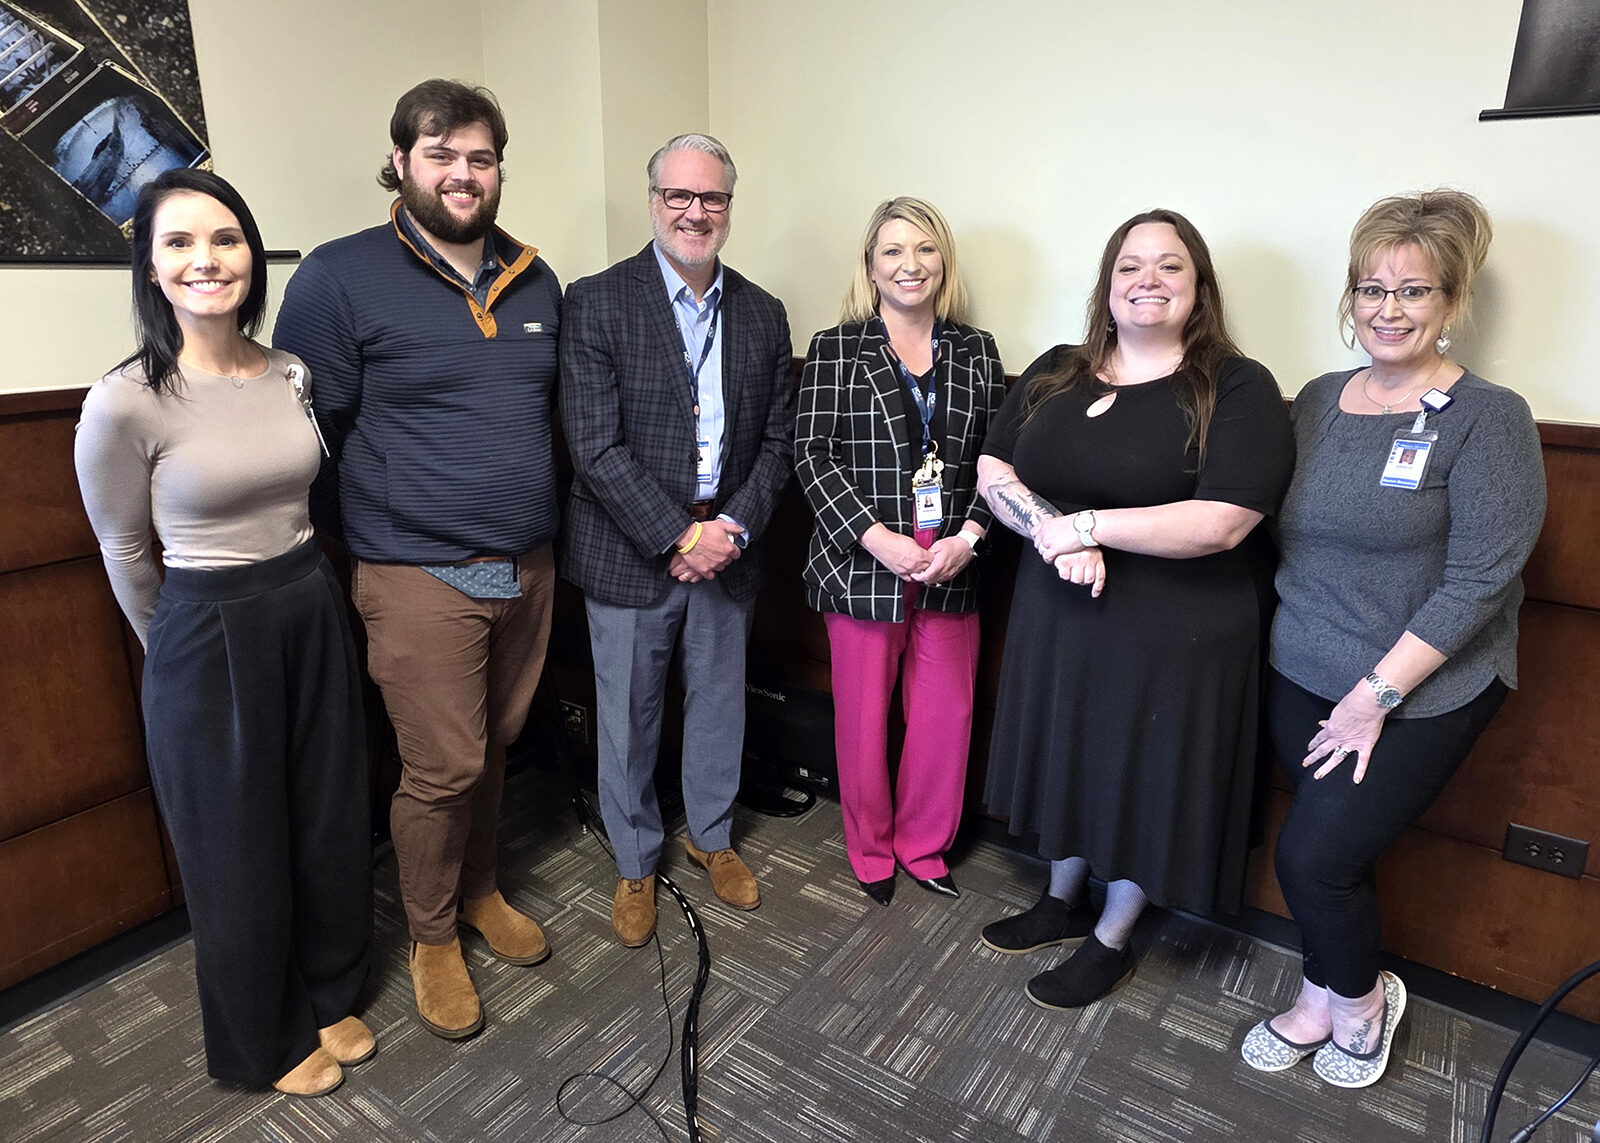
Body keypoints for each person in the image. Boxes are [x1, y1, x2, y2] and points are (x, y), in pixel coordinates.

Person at [74, 169, 372, 1097]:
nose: (206, 259)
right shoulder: (125, 400)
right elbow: (125, 547)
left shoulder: (291, 372)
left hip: (309, 601)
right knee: (235, 844)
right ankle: (263, 1038)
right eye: (179, 242)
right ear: (150, 267)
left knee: (327, 813)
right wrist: (174, 648)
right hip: (206, 625)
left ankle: (330, 987)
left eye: (226, 238)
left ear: (252, 254)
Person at [273, 79, 561, 1040]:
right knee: (443, 766)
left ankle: (479, 890)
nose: (462, 174)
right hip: (415, 574)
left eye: (480, 157)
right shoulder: (337, 277)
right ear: (401, 162)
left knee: (494, 746)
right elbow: (307, 441)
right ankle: (432, 936)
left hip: (527, 565)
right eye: (440, 155)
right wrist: (375, 540)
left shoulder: (536, 278)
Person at [1241, 190, 1545, 1088]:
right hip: (1302, 662)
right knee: (1331, 845)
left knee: (1313, 855)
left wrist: (1375, 697)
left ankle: (1363, 1001)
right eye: (1372, 289)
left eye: (1413, 291)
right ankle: (1320, 992)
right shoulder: (1318, 402)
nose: (1389, 309)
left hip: (1423, 686)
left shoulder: (1489, 416)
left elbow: (1482, 579)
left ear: (1452, 302)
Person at [975, 210, 1293, 1009]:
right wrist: (1053, 533)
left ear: (1199, 285)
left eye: (1169, 265)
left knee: (1143, 776)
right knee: (1073, 755)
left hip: (1177, 631)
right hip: (1064, 616)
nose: (1147, 279)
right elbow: (993, 470)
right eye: (1130, 265)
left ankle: (1112, 936)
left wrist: (1087, 527)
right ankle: (1061, 898)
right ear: (1107, 284)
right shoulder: (1058, 369)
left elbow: (1225, 520)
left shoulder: (1235, 385)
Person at [560, 132, 796, 947]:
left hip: (728, 546)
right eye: (679, 195)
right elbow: (594, 445)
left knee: (720, 703)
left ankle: (711, 834)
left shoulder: (763, 312)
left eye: (713, 197)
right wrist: (677, 535)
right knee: (627, 715)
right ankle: (634, 860)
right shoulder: (597, 300)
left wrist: (726, 530)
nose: (696, 212)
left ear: (730, 204)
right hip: (631, 550)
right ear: (654, 199)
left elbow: (777, 443)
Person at [794, 197, 1005, 905]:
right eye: (892, 250)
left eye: (924, 249)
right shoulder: (835, 348)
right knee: (862, 720)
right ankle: (870, 847)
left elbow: (998, 464)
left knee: (946, 718)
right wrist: (876, 537)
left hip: (951, 563)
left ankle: (924, 844)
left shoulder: (978, 351)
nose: (909, 264)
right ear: (870, 265)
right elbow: (812, 456)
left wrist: (969, 537)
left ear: (944, 260)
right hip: (863, 561)